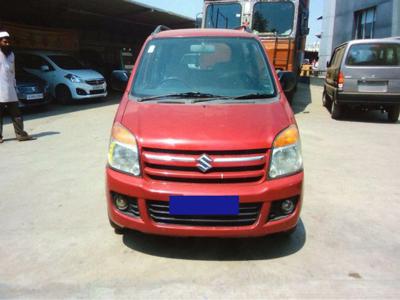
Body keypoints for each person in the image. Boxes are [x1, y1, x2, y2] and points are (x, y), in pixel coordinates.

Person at [0, 31, 34, 143]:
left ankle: (20, 134)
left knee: (16, 114)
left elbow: (12, 72)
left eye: (8, 41)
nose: (7, 44)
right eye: (5, 41)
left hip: (10, 88)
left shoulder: (11, 54)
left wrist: (14, 85)